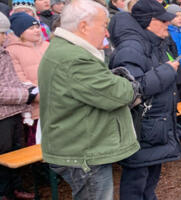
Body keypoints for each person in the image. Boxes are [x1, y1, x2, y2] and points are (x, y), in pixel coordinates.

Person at [38, 0, 142, 198]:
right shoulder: (74, 59)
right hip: (83, 151)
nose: (107, 33)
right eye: (104, 25)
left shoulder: (65, 50)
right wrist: (127, 84)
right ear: (84, 26)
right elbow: (119, 94)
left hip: (80, 145)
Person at [108, 0, 181, 198]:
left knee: (149, 180)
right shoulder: (131, 48)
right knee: (136, 182)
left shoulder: (153, 43)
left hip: (153, 127)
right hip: (141, 129)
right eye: (164, 20)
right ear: (150, 21)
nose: (168, 23)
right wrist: (167, 71)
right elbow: (131, 90)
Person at [0, 12, 37, 200]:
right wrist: (26, 95)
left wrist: (26, 88)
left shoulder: (4, 52)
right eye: (2, 33)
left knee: (16, 153)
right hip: (2, 116)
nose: (5, 36)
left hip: (14, 111)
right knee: (3, 156)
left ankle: (16, 188)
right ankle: (4, 192)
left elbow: (11, 80)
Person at [6, 12, 49, 146]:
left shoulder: (47, 45)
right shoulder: (11, 51)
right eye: (31, 28)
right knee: (37, 145)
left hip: (57, 103)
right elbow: (19, 79)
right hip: (35, 107)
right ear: (20, 31)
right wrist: (38, 95)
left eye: (37, 27)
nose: (36, 30)